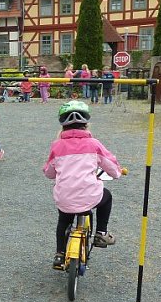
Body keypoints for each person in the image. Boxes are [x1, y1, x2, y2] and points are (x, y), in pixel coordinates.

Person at [43, 100, 122, 269]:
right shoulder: (93, 144)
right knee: (106, 197)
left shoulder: (57, 146)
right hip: (89, 196)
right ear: (86, 125)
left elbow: (49, 172)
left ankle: (59, 254)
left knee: (63, 221)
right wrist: (117, 173)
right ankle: (101, 233)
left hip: (65, 197)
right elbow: (110, 165)